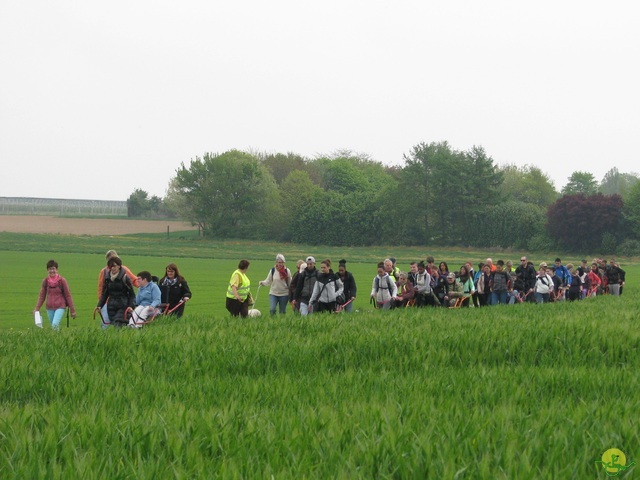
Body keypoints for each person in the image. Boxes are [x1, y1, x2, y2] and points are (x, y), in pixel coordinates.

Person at [97, 249, 139, 327]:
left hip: (122, 303)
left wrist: (144, 286)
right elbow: (101, 288)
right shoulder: (104, 272)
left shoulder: (125, 271)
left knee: (118, 323)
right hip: (108, 302)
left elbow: (134, 281)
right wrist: (100, 303)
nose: (112, 267)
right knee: (105, 323)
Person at [34, 259, 76, 330]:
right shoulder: (45, 281)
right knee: (54, 327)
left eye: (53, 269)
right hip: (49, 307)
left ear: (57, 270)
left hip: (60, 306)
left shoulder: (62, 281)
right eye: (50, 269)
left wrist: (72, 310)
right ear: (47, 270)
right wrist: (36, 309)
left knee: (54, 325)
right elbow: (42, 296)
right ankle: (59, 339)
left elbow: (68, 295)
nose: (52, 271)